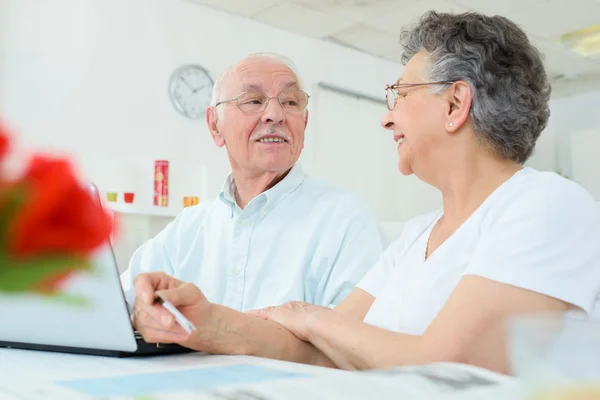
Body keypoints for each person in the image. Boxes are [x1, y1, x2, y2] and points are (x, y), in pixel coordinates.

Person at [131, 12, 600, 374]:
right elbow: (319, 354)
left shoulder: (547, 205)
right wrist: (208, 322)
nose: (386, 117)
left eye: (400, 94)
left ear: (455, 104)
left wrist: (312, 318)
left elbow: (444, 367)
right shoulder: (417, 237)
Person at [120, 53, 383, 311]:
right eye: (254, 100)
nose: (275, 114)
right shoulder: (189, 227)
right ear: (215, 126)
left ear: (304, 122)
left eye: (290, 102)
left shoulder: (345, 218)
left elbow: (353, 340)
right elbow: (119, 301)